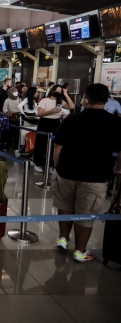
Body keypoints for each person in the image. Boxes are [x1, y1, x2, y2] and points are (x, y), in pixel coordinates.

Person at [52, 84, 121, 262]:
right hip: (95, 176)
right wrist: (118, 168)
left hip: (66, 172)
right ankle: (80, 251)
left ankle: (63, 238)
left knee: (65, 206)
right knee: (86, 213)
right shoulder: (115, 123)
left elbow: (58, 147)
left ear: (85, 99)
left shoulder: (72, 120)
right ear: (106, 100)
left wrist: (58, 167)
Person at [33, 85, 74, 173]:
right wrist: (51, 111)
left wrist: (66, 95)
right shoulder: (45, 100)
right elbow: (39, 114)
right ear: (52, 90)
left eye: (60, 91)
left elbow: (71, 107)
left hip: (55, 123)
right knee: (40, 143)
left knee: (54, 145)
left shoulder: (60, 101)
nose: (58, 92)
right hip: (44, 122)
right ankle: (37, 163)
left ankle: (52, 164)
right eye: (57, 90)